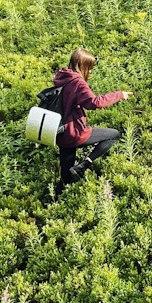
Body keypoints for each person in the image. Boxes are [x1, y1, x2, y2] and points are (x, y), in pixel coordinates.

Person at [53, 47, 130, 195]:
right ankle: (84, 165)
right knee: (114, 135)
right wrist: (119, 95)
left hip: (59, 132)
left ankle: (54, 202)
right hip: (74, 133)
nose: (91, 71)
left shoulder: (62, 76)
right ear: (83, 66)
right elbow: (95, 102)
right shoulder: (77, 82)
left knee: (65, 177)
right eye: (90, 68)